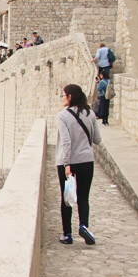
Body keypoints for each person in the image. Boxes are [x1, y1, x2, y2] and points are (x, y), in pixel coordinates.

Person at [56, 84, 102, 245]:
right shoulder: (90, 114)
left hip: (68, 163)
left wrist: (67, 164)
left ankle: (67, 234)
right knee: (83, 197)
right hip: (87, 161)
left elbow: (66, 142)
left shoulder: (63, 116)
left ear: (70, 97)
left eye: (63, 95)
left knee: (67, 198)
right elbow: (97, 139)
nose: (61, 98)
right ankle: (84, 226)